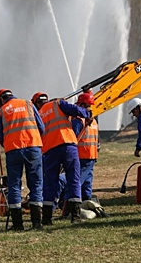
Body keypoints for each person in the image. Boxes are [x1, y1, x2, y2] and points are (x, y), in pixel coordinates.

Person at [35, 92, 92, 224]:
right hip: (67, 145)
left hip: (49, 150)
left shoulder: (37, 114)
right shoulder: (57, 104)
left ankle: (47, 218)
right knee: (74, 179)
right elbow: (76, 110)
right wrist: (87, 114)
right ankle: (75, 216)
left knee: (49, 183)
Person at [0, 88, 45, 230]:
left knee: (14, 185)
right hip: (33, 147)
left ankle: (18, 224)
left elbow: (1, 136)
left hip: (13, 150)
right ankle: (37, 223)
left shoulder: (1, 111)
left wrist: (10, 144)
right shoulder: (29, 104)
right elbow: (41, 127)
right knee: (36, 184)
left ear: (1, 100)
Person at [72, 92, 100, 201]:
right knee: (87, 180)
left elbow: (73, 137)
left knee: (77, 181)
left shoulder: (79, 120)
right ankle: (86, 201)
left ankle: (73, 203)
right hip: (92, 155)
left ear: (82, 105)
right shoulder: (94, 121)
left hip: (82, 155)